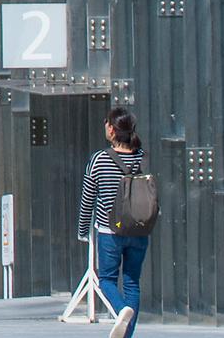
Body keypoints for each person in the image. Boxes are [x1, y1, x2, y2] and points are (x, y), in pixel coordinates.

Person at [77, 108, 149, 338]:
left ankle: (120, 310)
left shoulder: (99, 159)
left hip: (110, 230)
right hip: (139, 228)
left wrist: (82, 230)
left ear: (111, 128)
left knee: (106, 280)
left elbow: (88, 198)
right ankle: (126, 335)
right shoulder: (141, 157)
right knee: (132, 282)